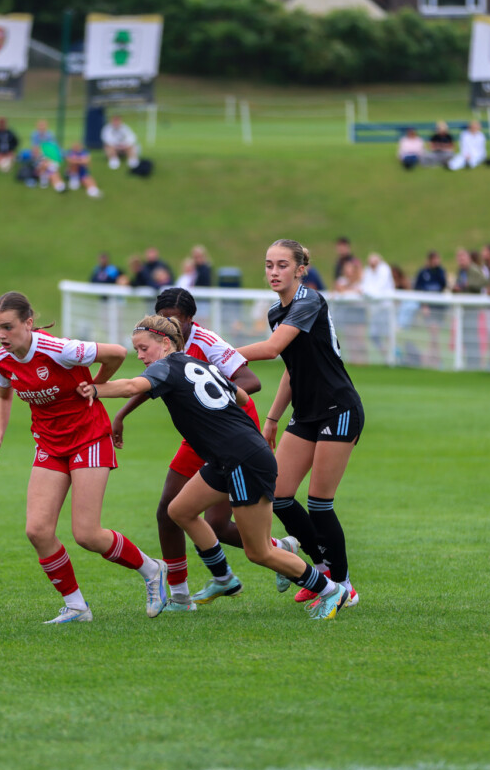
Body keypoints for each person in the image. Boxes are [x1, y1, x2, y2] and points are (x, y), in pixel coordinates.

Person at [87, 314, 350, 619]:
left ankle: (332, 590)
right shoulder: (198, 364)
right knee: (179, 510)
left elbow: (133, 385)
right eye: (137, 351)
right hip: (230, 457)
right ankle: (223, 577)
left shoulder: (166, 366)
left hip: (242, 459)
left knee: (260, 552)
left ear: (165, 342)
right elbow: (239, 396)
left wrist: (93, 389)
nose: (141, 355)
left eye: (144, 348)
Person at [0, 291, 167, 623]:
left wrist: (95, 385)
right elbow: (3, 395)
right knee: (38, 530)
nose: (1, 335)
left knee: (87, 534)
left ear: (28, 323)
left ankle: (152, 569)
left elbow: (117, 353)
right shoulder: (3, 359)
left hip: (89, 436)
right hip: (50, 444)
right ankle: (76, 607)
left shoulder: (60, 350)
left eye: (8, 327)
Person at [108, 289, 270, 610]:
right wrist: (122, 413)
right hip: (199, 437)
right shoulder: (162, 348)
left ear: (190, 320)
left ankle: (278, 554)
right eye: (163, 318)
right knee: (168, 512)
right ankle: (181, 596)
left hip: (230, 433)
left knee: (217, 525)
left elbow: (251, 381)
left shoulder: (206, 342)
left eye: (176, 319)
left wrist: (212, 390)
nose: (170, 324)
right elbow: (152, 381)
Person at [235, 239, 363, 609]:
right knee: (279, 495)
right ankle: (321, 572)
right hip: (306, 414)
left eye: (282, 265)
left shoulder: (309, 302)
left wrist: (220, 352)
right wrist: (273, 419)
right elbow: (291, 370)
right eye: (268, 265)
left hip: (339, 409)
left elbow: (273, 349)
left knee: (320, 504)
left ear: (300, 269)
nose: (274, 272)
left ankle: (343, 585)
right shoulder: (279, 313)